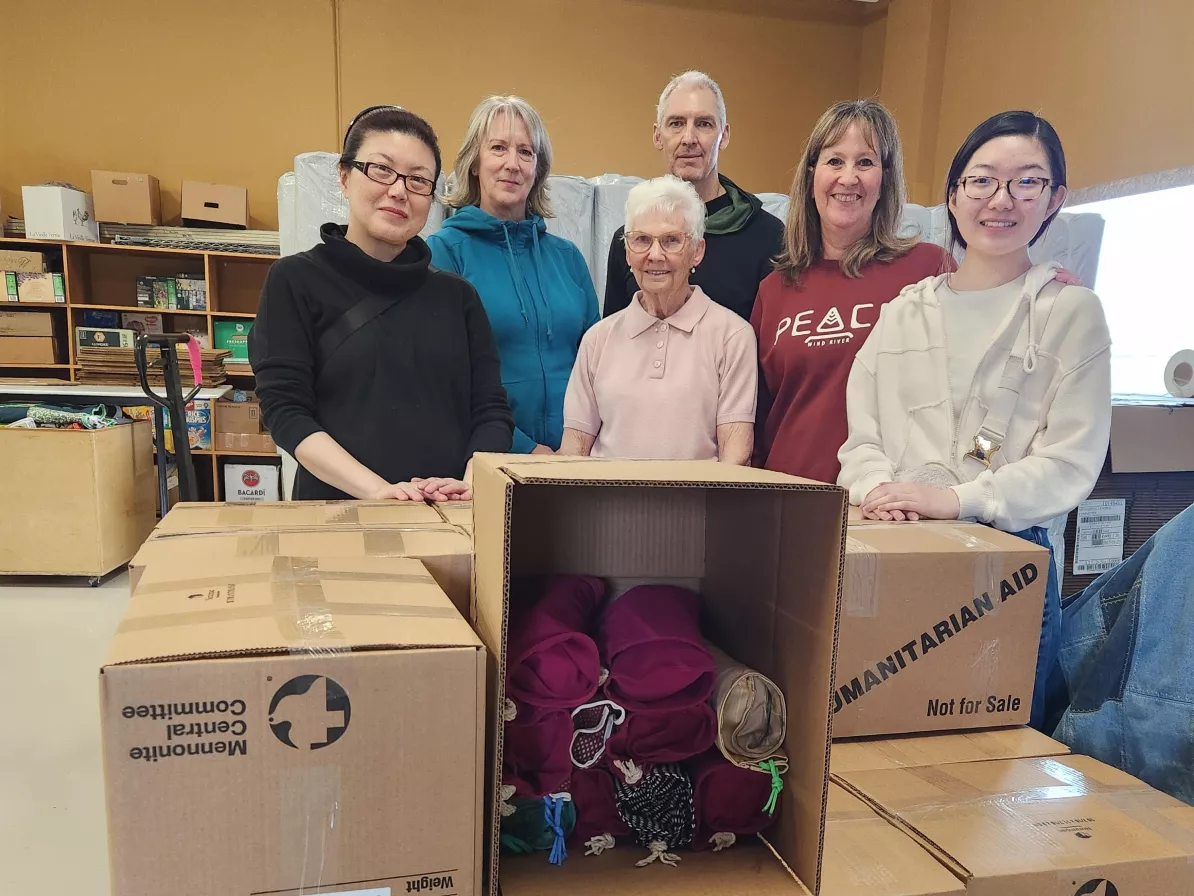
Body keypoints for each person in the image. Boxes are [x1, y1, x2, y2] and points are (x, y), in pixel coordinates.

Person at [837, 111, 1112, 729]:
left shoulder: (1070, 313)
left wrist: (958, 499)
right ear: (953, 197)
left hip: (1006, 565)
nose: (1002, 200)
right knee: (882, 744)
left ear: (1055, 199)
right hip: (897, 553)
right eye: (983, 181)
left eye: (1027, 182)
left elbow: (1070, 462)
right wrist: (879, 490)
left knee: (991, 762)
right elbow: (861, 439)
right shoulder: (903, 314)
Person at [249, 105, 513, 502]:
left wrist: (472, 482)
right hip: (338, 516)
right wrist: (379, 492)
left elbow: (492, 410)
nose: (398, 190)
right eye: (381, 170)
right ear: (344, 177)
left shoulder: (458, 297)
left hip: (445, 515)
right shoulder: (295, 280)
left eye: (418, 180)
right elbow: (285, 411)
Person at [751, 100, 955, 485]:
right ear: (811, 176)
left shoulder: (927, 269)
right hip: (789, 496)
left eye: (865, 162)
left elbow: (978, 369)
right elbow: (759, 416)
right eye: (834, 161)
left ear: (885, 179)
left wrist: (1036, 289)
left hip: (888, 502)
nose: (848, 178)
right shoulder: (775, 289)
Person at [428, 96, 599, 455]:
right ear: (474, 162)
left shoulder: (567, 258)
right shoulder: (445, 253)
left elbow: (597, 366)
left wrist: (579, 446)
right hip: (490, 459)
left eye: (526, 152)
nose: (512, 164)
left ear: (538, 168)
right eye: (498, 148)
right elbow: (447, 378)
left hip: (577, 458)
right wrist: (527, 450)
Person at [560, 176, 756, 462]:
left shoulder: (733, 336)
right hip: (606, 505)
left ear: (697, 252)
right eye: (641, 240)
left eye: (671, 241)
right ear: (627, 252)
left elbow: (735, 457)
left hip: (696, 506)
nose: (655, 255)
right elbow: (573, 450)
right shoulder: (597, 340)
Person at [603, 71, 782, 323]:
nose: (689, 138)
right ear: (657, 135)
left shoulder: (767, 237)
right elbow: (615, 340)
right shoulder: (632, 241)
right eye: (676, 123)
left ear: (725, 135)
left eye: (704, 124)